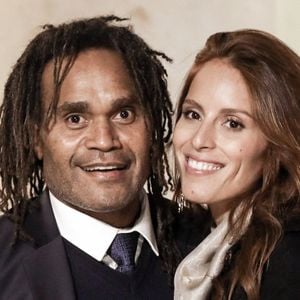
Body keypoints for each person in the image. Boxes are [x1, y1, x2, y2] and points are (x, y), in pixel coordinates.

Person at [0, 16, 200, 299]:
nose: (105, 141)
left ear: (153, 125)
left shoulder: (209, 241)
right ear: (36, 139)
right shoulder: (4, 264)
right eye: (75, 118)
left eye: (124, 114)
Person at [172, 29, 300, 300]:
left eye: (233, 123)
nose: (199, 140)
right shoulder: (189, 237)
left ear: (276, 144)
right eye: (193, 114)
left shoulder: (287, 258)